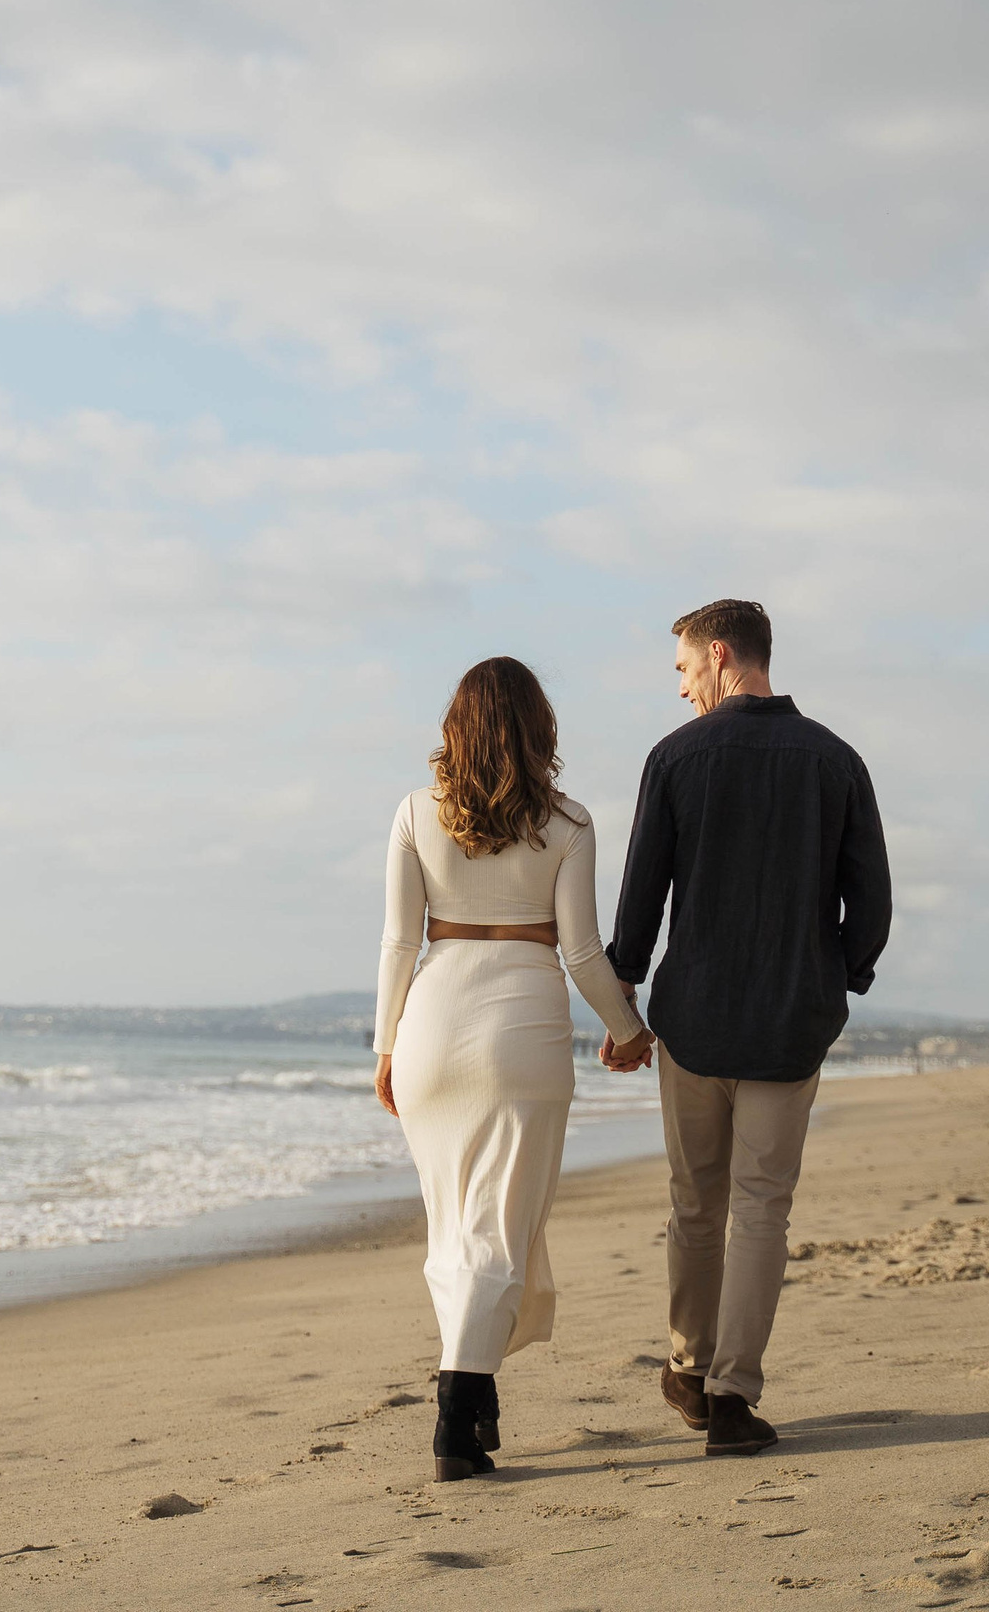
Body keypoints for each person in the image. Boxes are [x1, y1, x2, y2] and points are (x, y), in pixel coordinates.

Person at [603, 599, 891, 1457]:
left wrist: (624, 1001)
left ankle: (688, 1366)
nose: (685, 688)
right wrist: (837, 977)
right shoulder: (836, 760)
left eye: (686, 670)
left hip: (692, 1019)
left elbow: (640, 900)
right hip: (788, 1025)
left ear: (720, 656)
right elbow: (869, 901)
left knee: (696, 1201)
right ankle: (731, 1398)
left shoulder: (676, 757)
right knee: (763, 1208)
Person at [373, 656, 653, 1482]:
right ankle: (456, 1420)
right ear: (540, 728)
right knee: (499, 1225)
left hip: (431, 1028)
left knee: (454, 1225)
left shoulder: (414, 811)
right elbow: (579, 951)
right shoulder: (568, 822)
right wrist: (628, 1030)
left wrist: (385, 1044)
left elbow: (397, 941)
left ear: (454, 725)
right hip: (521, 1034)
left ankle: (479, 1388)